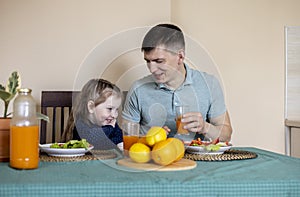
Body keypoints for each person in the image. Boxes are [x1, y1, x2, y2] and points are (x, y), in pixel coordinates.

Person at [122, 23, 232, 142]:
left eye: (159, 61)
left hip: (198, 159)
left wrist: (205, 127)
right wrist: (149, 133)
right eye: (147, 61)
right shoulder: (138, 89)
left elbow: (226, 135)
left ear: (180, 56)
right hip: (155, 158)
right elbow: (127, 134)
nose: (152, 69)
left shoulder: (210, 84)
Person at [62, 78, 123, 150]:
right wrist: (110, 129)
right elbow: (93, 142)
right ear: (91, 107)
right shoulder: (80, 125)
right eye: (109, 109)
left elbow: (120, 137)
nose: (114, 115)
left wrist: (118, 142)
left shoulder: (108, 122)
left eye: (116, 110)